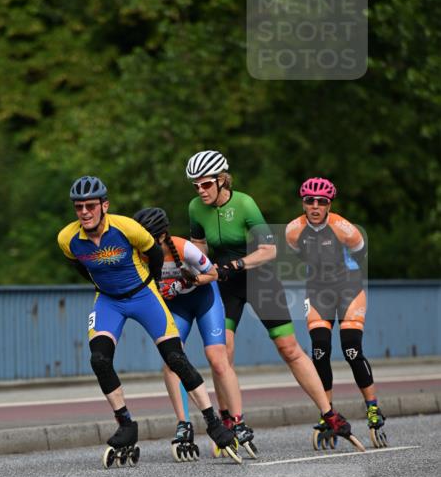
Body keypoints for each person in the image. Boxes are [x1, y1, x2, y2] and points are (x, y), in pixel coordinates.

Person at [57, 175, 239, 465]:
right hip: (108, 301)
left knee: (175, 358)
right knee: (99, 360)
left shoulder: (128, 229)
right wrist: (104, 287)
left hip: (143, 295)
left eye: (90, 205)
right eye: (78, 207)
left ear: (105, 205)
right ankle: (126, 424)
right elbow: (79, 266)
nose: (84, 212)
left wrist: (149, 285)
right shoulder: (68, 238)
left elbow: (154, 257)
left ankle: (213, 422)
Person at [185, 149, 358, 448]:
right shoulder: (195, 208)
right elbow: (198, 248)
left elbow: (269, 250)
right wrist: (189, 269)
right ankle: (228, 419)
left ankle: (329, 414)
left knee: (289, 349)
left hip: (259, 278)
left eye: (206, 184)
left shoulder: (244, 203)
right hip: (225, 286)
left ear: (222, 180)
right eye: (196, 185)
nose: (200, 191)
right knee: (220, 353)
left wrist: (235, 265)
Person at [133, 206, 257, 459]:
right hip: (178, 307)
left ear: (161, 236)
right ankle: (183, 424)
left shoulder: (183, 247)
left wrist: (186, 282)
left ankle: (238, 421)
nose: (144, 245)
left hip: (204, 301)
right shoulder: (141, 255)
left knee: (217, 358)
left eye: (148, 240)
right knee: (172, 361)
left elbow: (213, 273)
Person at [285, 177, 386, 448]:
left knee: (352, 349)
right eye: (310, 201)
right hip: (317, 292)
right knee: (319, 350)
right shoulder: (294, 230)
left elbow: (360, 253)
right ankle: (327, 412)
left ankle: (373, 408)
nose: (315, 206)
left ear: (330, 204)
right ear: (303, 203)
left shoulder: (344, 228)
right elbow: (299, 255)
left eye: (322, 202)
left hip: (349, 289)